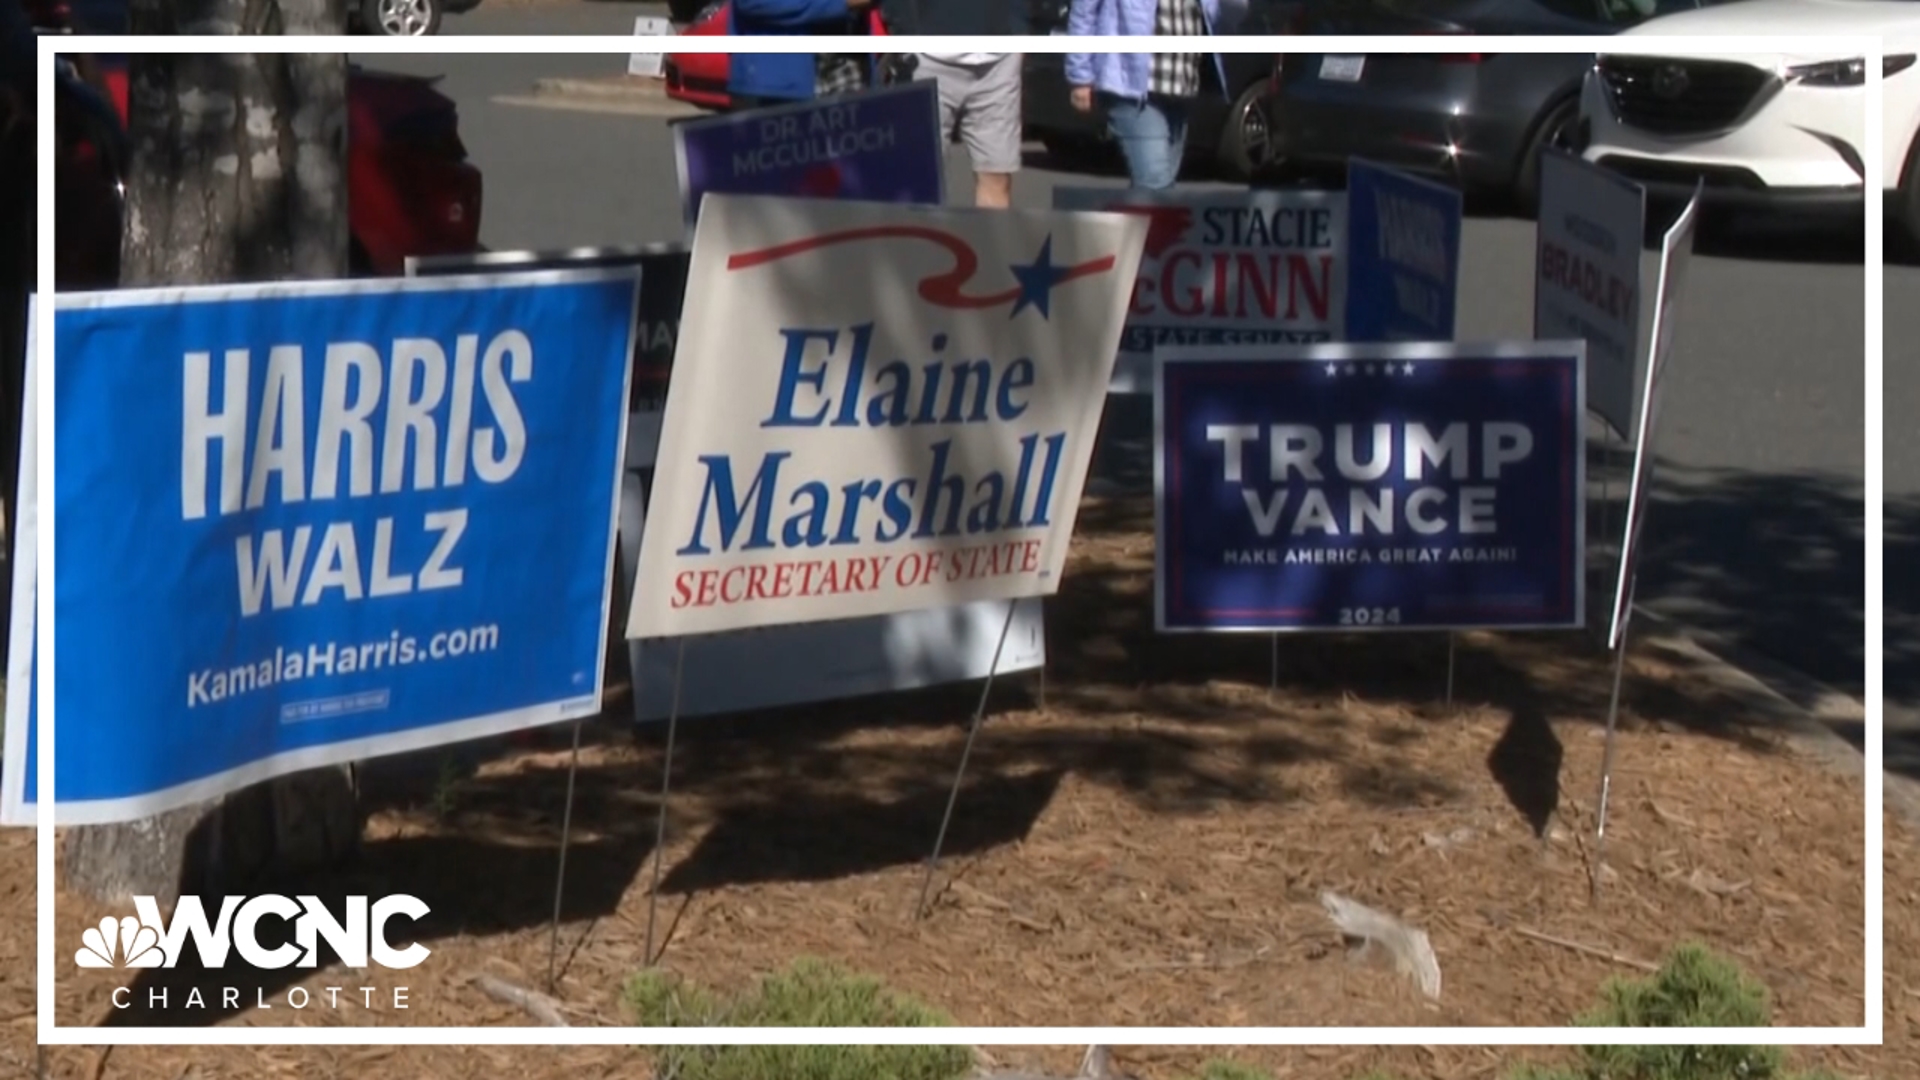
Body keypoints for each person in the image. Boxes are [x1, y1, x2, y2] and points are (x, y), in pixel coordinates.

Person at [1064, 0, 1224, 191]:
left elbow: (1221, 13)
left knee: (1159, 189)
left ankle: (1132, 219)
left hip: (1181, 83)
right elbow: (1084, 12)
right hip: (1131, 83)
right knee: (1156, 184)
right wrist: (1080, 75)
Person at [727, 0, 880, 109]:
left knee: (850, 150)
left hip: (848, 69)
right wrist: (840, 3)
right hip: (779, 82)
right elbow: (754, 4)